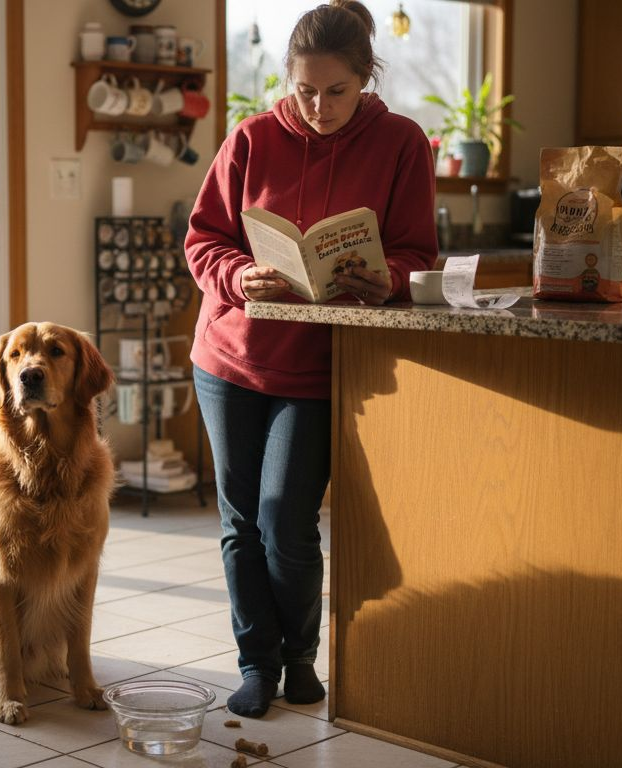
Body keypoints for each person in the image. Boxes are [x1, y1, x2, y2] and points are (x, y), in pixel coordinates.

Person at [184, 0, 437, 718]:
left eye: (336, 92)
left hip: (322, 366)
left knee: (285, 517)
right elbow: (203, 240)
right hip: (231, 355)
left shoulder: (401, 143)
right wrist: (238, 275)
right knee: (239, 519)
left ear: (366, 79)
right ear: (287, 80)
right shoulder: (251, 139)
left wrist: (385, 276)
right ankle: (257, 663)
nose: (319, 107)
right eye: (304, 91)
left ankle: (301, 654)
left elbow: (418, 251)